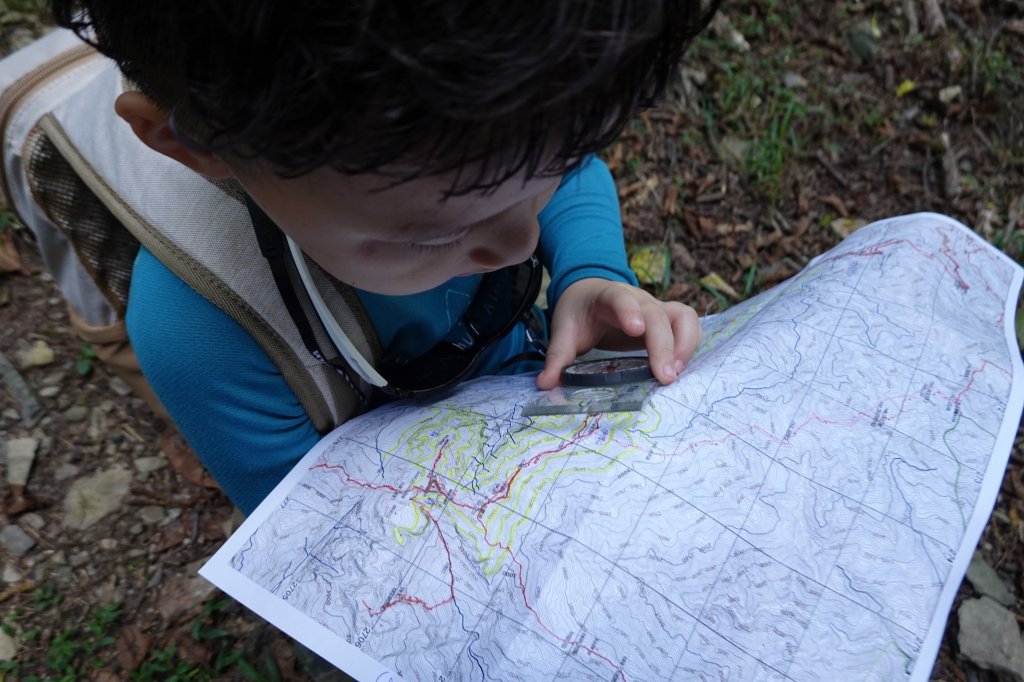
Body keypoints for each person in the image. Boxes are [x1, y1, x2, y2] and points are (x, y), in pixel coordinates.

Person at [50, 1, 714, 516]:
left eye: (548, 174)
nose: (519, 246)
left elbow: (569, 179)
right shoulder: (196, 337)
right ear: (197, 147)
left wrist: (591, 273)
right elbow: (313, 522)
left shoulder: (498, 137)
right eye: (429, 236)